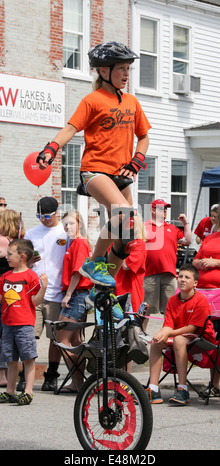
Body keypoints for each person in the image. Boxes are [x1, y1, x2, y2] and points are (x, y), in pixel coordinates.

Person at [37, 41, 151, 291]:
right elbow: (71, 128)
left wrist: (136, 161)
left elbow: (143, 137)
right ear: (103, 71)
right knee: (123, 212)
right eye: (121, 68)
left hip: (122, 173)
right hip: (95, 170)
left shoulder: (131, 102)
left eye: (128, 69)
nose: (125, 74)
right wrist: (52, 148)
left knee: (125, 236)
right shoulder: (93, 100)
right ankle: (94, 262)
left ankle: (104, 286)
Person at [146, 264, 217, 406]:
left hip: (202, 338)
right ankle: (153, 389)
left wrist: (168, 332)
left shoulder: (201, 300)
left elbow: (193, 327)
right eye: (180, 276)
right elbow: (168, 324)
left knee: (178, 339)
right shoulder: (172, 300)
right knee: (156, 341)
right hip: (181, 337)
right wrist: (162, 333)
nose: (182, 280)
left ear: (195, 283)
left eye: (187, 277)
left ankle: (182, 389)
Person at [24, 197, 68, 391]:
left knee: (55, 338)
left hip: (57, 292)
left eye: (47, 216)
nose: (43, 219)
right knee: (28, 336)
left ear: (57, 212)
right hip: (33, 292)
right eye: (39, 216)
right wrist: (29, 260)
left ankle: (51, 375)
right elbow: (22, 261)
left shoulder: (65, 232)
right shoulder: (31, 233)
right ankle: (25, 375)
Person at [0, 239, 48, 405]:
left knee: (28, 359)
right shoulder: (5, 277)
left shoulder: (31, 276)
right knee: (11, 360)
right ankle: (10, 391)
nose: (6, 257)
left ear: (22, 257)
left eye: (10, 254)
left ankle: (28, 391)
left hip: (24, 325)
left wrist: (43, 287)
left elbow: (35, 302)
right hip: (7, 325)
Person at [57, 209, 93, 392]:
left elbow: (78, 271)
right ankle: (78, 383)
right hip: (79, 294)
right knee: (77, 340)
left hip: (77, 295)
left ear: (79, 223)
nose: (68, 226)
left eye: (71, 223)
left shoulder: (80, 243)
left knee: (62, 337)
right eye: (65, 224)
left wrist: (68, 294)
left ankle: (80, 383)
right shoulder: (74, 243)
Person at [143, 199, 192, 329]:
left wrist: (185, 223)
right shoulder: (144, 226)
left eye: (166, 209)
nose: (164, 211)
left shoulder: (172, 228)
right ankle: (139, 339)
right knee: (145, 310)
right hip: (149, 274)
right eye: (161, 208)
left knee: (171, 310)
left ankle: (170, 337)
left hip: (169, 274)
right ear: (153, 210)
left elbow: (188, 240)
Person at [193, 207, 220, 395]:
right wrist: (201, 263)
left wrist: (216, 263)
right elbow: (195, 259)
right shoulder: (210, 237)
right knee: (211, 336)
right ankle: (215, 384)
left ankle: (216, 382)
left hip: (219, 292)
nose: (214, 218)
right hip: (203, 292)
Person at [0, 210, 25, 387]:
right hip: (10, 293)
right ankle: (8, 375)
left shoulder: (5, 242)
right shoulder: (12, 244)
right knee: (7, 335)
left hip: (4, 292)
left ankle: (4, 375)